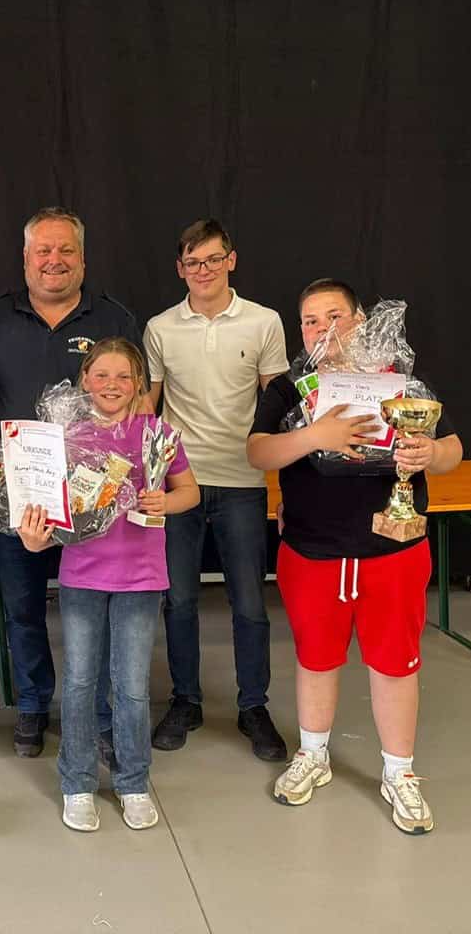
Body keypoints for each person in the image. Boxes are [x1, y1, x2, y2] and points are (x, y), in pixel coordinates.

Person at [246, 278, 463, 835]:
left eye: (334, 316)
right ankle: (313, 754)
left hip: (392, 549)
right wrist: (315, 436)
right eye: (310, 321)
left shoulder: (400, 381)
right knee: (316, 659)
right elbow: (258, 451)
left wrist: (429, 451)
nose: (323, 329)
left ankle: (399, 772)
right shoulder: (292, 387)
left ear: (362, 320)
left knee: (394, 663)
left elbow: (453, 450)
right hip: (313, 550)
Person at [0, 207, 140, 758]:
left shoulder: (113, 317)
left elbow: (136, 400)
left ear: (83, 259)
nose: (54, 260)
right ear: (26, 258)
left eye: (66, 250)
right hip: (16, 495)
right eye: (43, 250)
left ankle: (98, 714)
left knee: (93, 611)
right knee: (22, 607)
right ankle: (32, 704)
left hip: (93, 499)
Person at [16, 338, 198, 832]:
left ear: (139, 383)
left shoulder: (157, 435)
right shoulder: (66, 437)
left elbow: (190, 491)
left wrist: (166, 503)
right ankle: (77, 782)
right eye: (101, 375)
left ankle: (133, 780)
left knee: (132, 687)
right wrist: (35, 533)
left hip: (141, 578)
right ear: (85, 381)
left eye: (123, 376)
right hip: (82, 576)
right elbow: (43, 506)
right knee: (79, 682)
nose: (111, 385)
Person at [142, 218, 290, 760]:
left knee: (249, 602)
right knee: (178, 599)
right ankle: (186, 701)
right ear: (180, 269)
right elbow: (148, 406)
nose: (202, 270)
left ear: (231, 260)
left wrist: (285, 484)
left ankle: (254, 706)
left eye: (212, 259)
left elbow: (277, 407)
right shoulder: (160, 327)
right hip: (179, 481)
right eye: (192, 262)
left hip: (243, 481)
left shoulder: (264, 322)